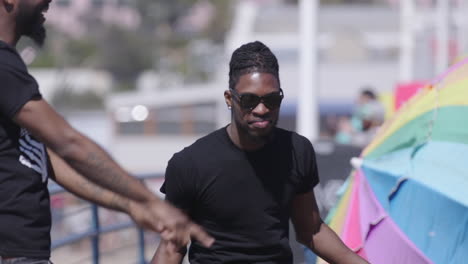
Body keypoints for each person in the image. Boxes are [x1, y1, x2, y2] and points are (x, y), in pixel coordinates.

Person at [0, 0, 213, 263]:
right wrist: (150, 200)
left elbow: (50, 158)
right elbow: (69, 143)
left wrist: (131, 204)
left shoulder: (9, 65)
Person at [151, 41, 369, 264]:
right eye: (249, 100)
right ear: (229, 99)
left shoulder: (297, 150)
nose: (262, 109)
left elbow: (311, 230)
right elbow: (172, 249)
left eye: (272, 100)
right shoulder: (190, 163)